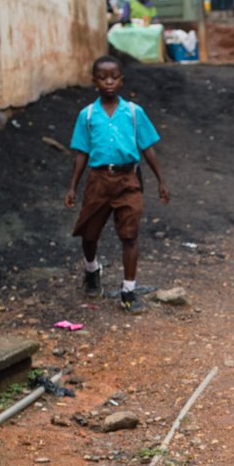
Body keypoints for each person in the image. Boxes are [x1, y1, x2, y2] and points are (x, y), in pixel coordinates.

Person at [65, 55, 170, 312]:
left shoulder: (134, 112)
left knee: (129, 235)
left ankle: (128, 290)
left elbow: (148, 148)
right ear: (94, 81)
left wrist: (161, 181)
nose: (109, 82)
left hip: (128, 180)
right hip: (98, 181)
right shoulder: (87, 115)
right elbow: (81, 153)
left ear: (121, 80)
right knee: (89, 234)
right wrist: (73, 187)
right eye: (103, 78)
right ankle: (92, 269)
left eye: (114, 77)